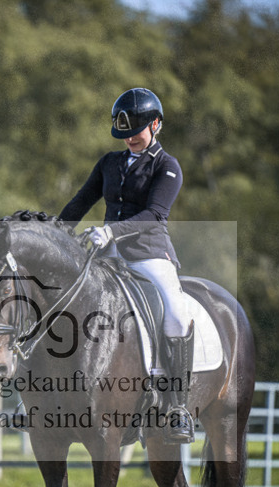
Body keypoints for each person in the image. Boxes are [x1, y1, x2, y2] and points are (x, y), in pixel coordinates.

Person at [59, 87, 194, 444]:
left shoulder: (168, 167)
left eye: (136, 131)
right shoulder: (109, 163)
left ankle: (177, 405)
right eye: (124, 134)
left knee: (177, 312)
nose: (130, 138)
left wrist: (112, 231)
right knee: (60, 296)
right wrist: (55, 235)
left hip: (149, 254)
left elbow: (154, 214)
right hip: (106, 253)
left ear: (156, 125)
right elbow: (80, 202)